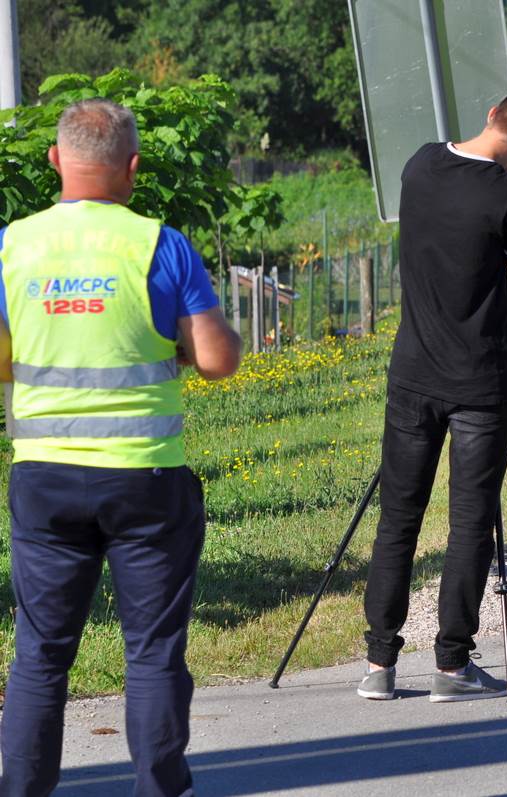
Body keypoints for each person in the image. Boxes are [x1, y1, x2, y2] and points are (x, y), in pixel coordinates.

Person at [0, 98, 241, 795]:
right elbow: (218, 358)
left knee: (40, 655)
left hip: (43, 476)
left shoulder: (12, 246)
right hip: (144, 477)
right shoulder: (160, 244)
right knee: (153, 650)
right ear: (132, 167)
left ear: (54, 161)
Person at [359, 83, 507, 702]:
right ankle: (451, 666)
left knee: (398, 518)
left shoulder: (419, 163)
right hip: (481, 380)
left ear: (492, 112)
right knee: (470, 522)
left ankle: (379, 667)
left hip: (413, 371)